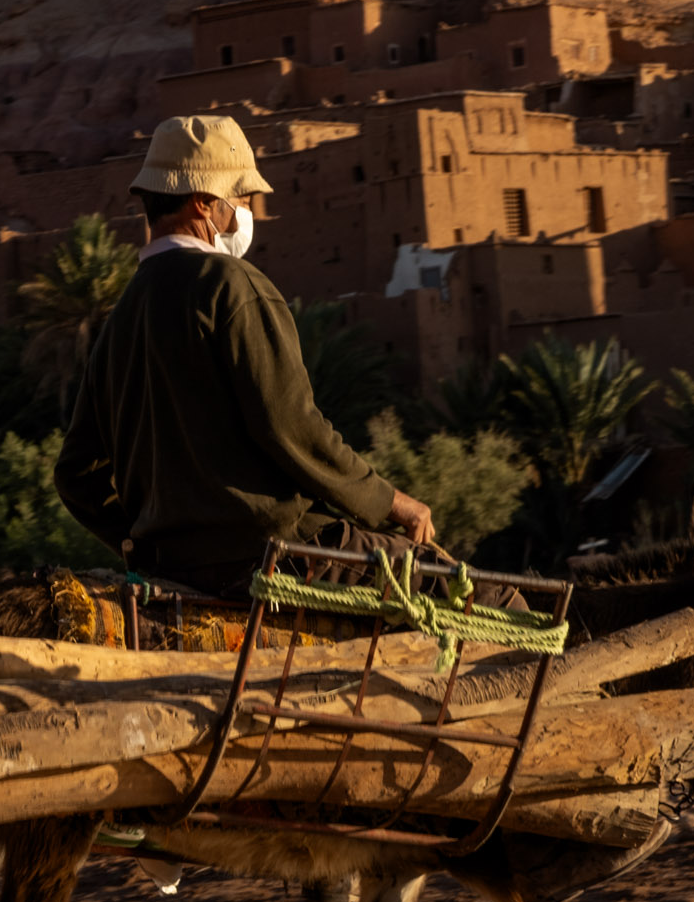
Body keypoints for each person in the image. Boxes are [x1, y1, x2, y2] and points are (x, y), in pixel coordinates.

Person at [54, 113, 435, 599]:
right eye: (238, 199)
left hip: (172, 566)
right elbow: (292, 426)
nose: (244, 211)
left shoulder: (121, 316)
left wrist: (143, 543)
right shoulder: (233, 287)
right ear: (204, 204)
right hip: (278, 556)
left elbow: (75, 472)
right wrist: (391, 504)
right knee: (491, 599)